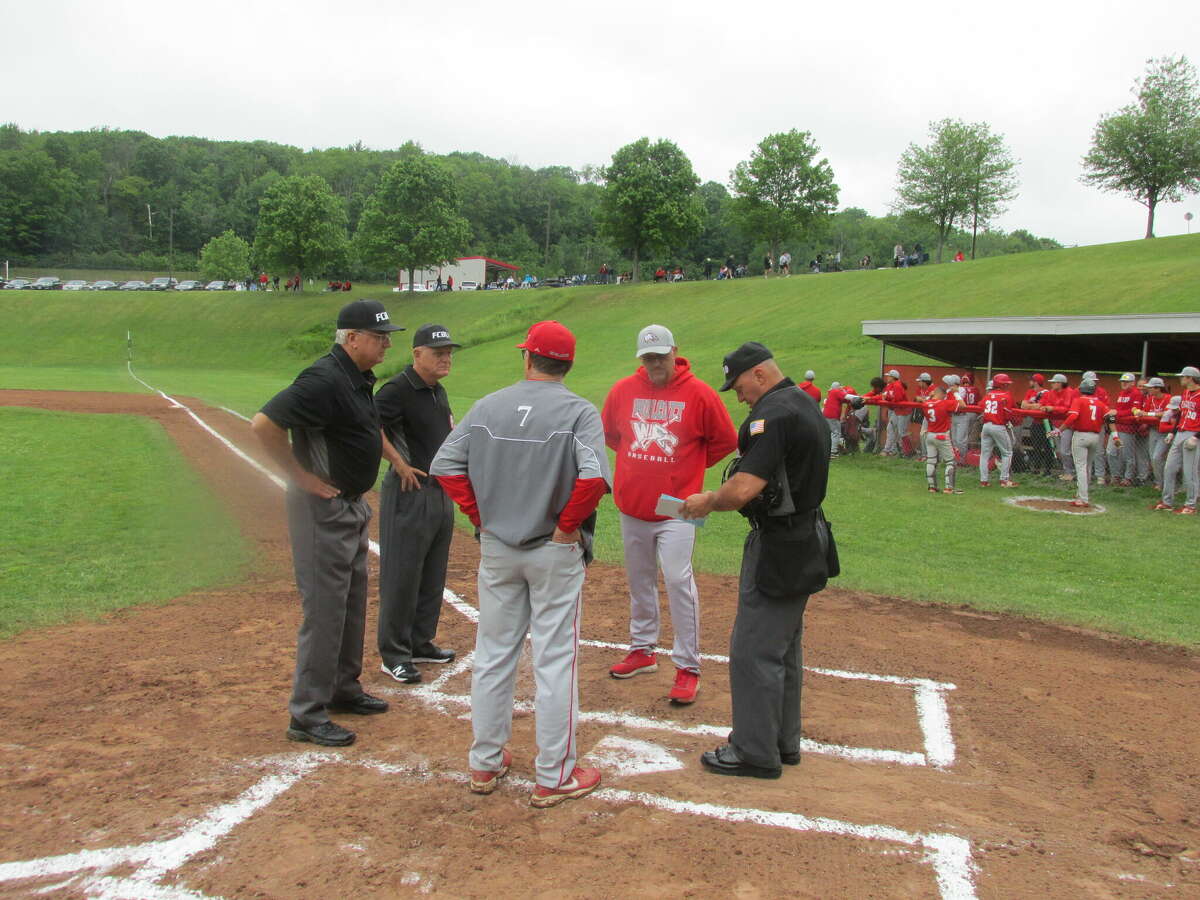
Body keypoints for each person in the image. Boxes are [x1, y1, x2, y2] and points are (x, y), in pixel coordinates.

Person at [431, 320, 611, 807]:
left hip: (498, 548)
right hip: (554, 550)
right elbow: (594, 479)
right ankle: (554, 775)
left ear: (527, 358)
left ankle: (485, 763)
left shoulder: (489, 405)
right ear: (568, 364)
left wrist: (479, 517)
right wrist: (567, 527)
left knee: (493, 655)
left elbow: (444, 466)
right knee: (554, 660)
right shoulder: (579, 411)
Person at [679, 342, 836, 778]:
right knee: (784, 649)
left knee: (753, 650)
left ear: (761, 375)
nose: (738, 395)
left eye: (740, 385)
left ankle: (753, 751)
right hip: (807, 538)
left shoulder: (774, 415)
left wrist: (708, 500)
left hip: (780, 546)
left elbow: (745, 487)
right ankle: (782, 742)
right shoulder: (803, 403)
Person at [250, 299, 403, 747]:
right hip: (323, 511)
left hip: (351, 506)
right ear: (351, 338)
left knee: (351, 602)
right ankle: (307, 713)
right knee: (324, 610)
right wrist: (300, 478)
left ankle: (342, 688)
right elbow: (264, 425)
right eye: (378, 337)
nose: (386, 343)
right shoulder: (323, 379)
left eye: (387, 336)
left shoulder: (357, 379)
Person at [600, 325, 738, 704]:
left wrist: (687, 468)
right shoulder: (623, 390)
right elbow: (613, 436)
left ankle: (688, 666)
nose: (655, 363)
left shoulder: (699, 393)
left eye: (660, 356)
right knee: (639, 581)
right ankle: (643, 650)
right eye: (648, 357)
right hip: (633, 505)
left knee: (679, 581)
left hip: (679, 507)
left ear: (675, 351)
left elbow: (726, 441)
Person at [375, 324, 461, 686]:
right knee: (402, 576)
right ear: (416, 354)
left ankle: (420, 641)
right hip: (409, 494)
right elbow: (368, 424)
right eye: (437, 352)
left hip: (440, 492)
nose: (445, 358)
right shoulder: (397, 388)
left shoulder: (436, 390)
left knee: (432, 573)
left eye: (448, 352)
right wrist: (396, 461)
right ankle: (393, 654)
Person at [1051, 380, 1112, 509]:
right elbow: (1110, 417)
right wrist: (1115, 434)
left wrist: (1059, 430)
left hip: (1081, 435)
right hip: (1095, 436)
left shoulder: (1078, 400)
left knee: (1081, 467)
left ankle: (1083, 498)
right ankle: (1082, 495)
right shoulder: (1100, 403)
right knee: (1087, 466)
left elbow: (1073, 417)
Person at [1155, 366, 1200, 514]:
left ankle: (1191, 505)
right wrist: (1172, 433)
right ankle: (1167, 502)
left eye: (1183, 377)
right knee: (1169, 468)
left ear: (1190, 378)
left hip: (1193, 434)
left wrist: (1196, 437)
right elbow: (1181, 415)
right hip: (1180, 432)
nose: (1181, 379)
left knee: (1190, 472)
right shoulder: (1186, 393)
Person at [921, 384, 964, 493]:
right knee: (951, 462)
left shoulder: (925, 403)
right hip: (941, 435)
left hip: (930, 434)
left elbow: (926, 401)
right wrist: (955, 393)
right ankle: (949, 488)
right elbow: (962, 405)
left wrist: (931, 396)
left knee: (931, 461)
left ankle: (932, 487)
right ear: (942, 394)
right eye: (944, 395)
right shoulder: (944, 403)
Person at [978, 373, 1020, 487]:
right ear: (1002, 384)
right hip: (998, 426)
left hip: (986, 426)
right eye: (1006, 383)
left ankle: (984, 481)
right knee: (1007, 453)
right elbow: (1010, 413)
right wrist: (1014, 422)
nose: (1008, 385)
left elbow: (980, 406)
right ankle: (1004, 480)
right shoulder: (1006, 395)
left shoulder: (988, 394)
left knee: (984, 454)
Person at [1135, 377, 1173, 489]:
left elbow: (1166, 414)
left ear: (1158, 388)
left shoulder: (1168, 398)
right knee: (1153, 457)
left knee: (1157, 457)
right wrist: (1144, 416)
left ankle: (1165, 483)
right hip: (1153, 430)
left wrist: (1148, 415)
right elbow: (1144, 413)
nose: (1149, 390)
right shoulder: (1150, 399)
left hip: (1165, 431)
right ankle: (1160, 483)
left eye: (1151, 388)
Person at [1108, 373, 1144, 486]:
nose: (1123, 383)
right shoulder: (1121, 393)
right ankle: (1116, 475)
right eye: (1122, 381)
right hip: (1117, 427)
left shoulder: (1136, 394)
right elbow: (1118, 410)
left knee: (1127, 455)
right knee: (1111, 452)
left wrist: (1118, 414)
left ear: (1133, 383)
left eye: (1126, 381)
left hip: (1128, 429)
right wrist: (1117, 415)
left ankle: (1128, 478)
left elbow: (1135, 410)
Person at [1041, 374, 1078, 480]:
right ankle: (1066, 472)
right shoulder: (1051, 393)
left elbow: (1068, 408)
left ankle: (1070, 472)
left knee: (1065, 450)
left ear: (1060, 383)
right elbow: (1046, 404)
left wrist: (1053, 408)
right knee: (1059, 450)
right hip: (1055, 424)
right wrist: (1046, 408)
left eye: (1054, 382)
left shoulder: (1070, 392)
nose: (1052, 384)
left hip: (1066, 425)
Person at [881, 369, 908, 455]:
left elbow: (898, 399)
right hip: (897, 410)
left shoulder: (897, 385)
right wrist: (887, 398)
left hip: (903, 411)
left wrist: (888, 398)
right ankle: (892, 450)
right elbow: (891, 397)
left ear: (893, 377)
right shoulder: (892, 385)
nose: (887, 377)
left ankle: (904, 451)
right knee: (893, 429)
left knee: (900, 432)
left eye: (889, 376)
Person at [952, 374, 980, 458]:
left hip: (964, 413)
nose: (965, 385)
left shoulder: (960, 390)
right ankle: (964, 455)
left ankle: (963, 456)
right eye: (964, 383)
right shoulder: (975, 389)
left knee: (961, 437)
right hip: (973, 412)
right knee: (965, 436)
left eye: (966, 383)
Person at [822, 381, 849, 458]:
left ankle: (828, 451)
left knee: (830, 433)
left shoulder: (830, 394)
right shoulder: (836, 392)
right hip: (832, 416)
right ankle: (833, 452)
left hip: (826, 415)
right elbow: (845, 398)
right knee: (836, 433)